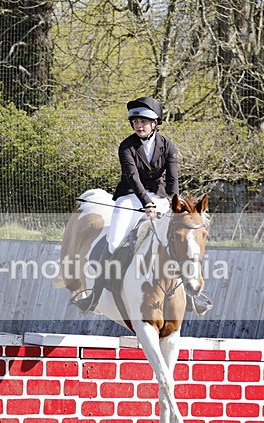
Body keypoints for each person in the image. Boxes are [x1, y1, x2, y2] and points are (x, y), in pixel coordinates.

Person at [75, 96, 210, 314]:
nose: (139, 125)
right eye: (136, 122)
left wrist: (174, 204)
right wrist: (146, 204)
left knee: (179, 241)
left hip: (160, 196)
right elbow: (132, 177)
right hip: (129, 196)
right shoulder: (127, 146)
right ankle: (94, 296)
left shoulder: (168, 146)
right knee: (114, 242)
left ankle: (194, 297)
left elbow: (173, 179)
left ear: (155, 124)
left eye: (144, 122)